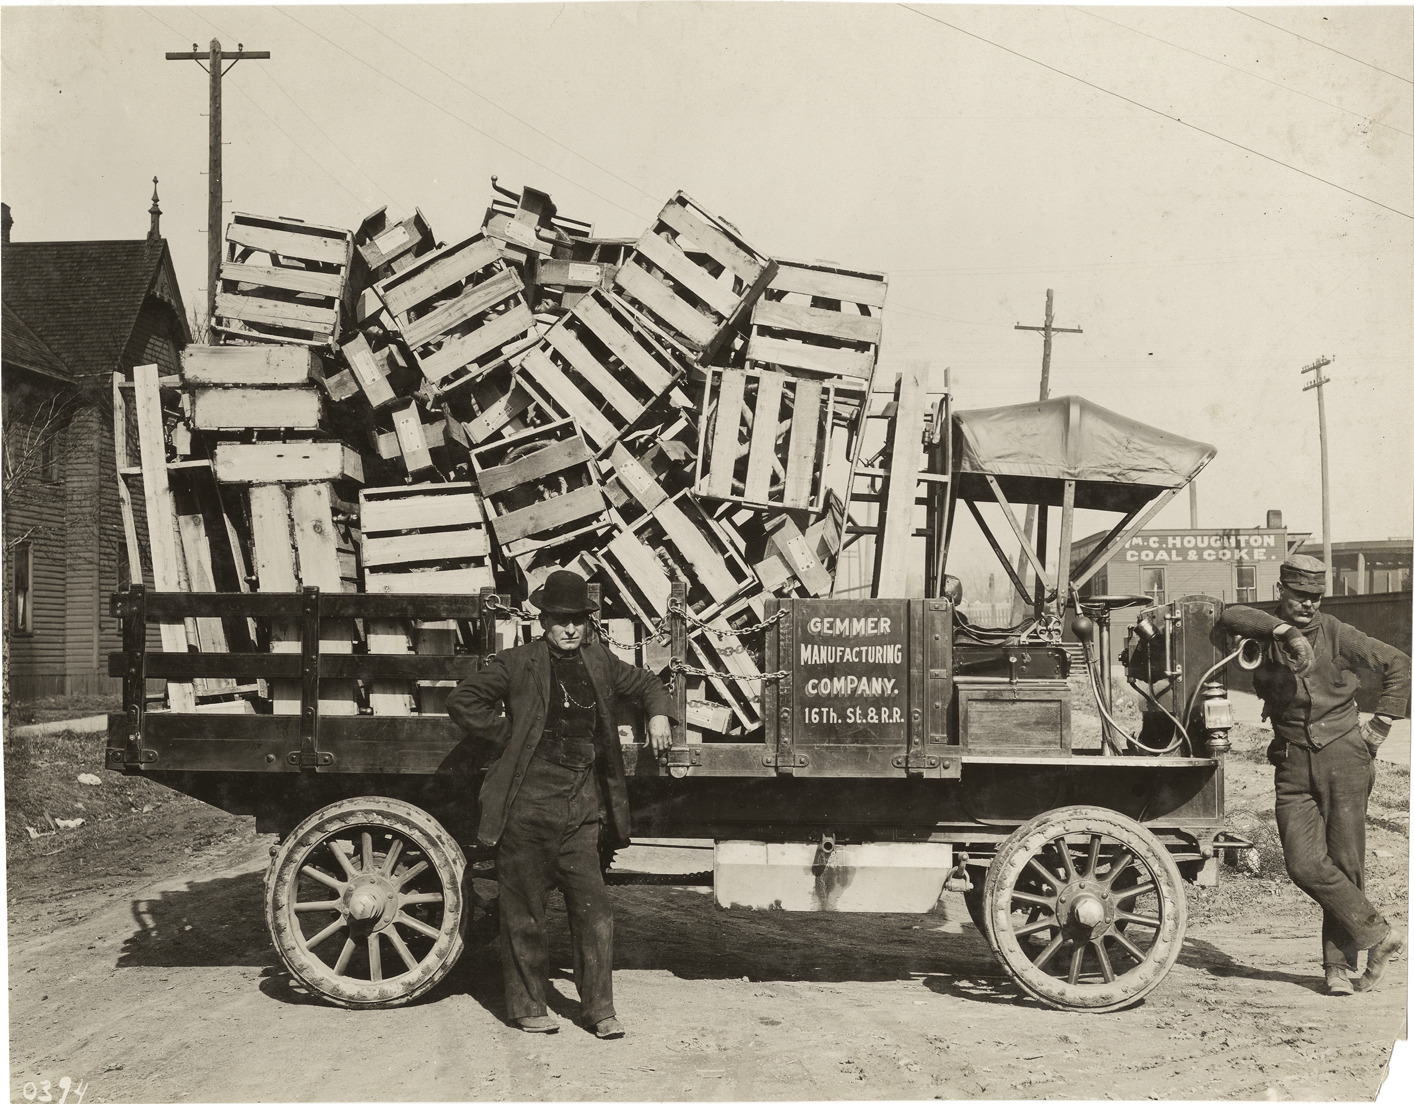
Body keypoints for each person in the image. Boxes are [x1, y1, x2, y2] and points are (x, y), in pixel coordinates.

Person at [447, 569, 676, 1037]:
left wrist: (658, 715)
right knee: (524, 913)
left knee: (595, 913)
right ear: (544, 621)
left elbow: (648, 683)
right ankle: (528, 1007)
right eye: (560, 620)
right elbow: (463, 701)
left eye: (578, 620)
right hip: (527, 806)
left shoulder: (599, 660)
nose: (570, 629)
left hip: (581, 807)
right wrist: (509, 736)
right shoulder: (517, 663)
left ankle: (599, 1011)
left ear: (587, 623)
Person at [1219, 554, 1409, 996]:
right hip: (1291, 762)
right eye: (1300, 595)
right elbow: (1228, 614)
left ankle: (1337, 968)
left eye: (1316, 597)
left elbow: (1399, 663)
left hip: (1344, 756)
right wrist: (1282, 631)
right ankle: (1380, 935)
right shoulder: (1263, 629)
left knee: (1345, 861)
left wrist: (1381, 724)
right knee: (1303, 864)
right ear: (1281, 590)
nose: (1309, 604)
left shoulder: (1337, 633)